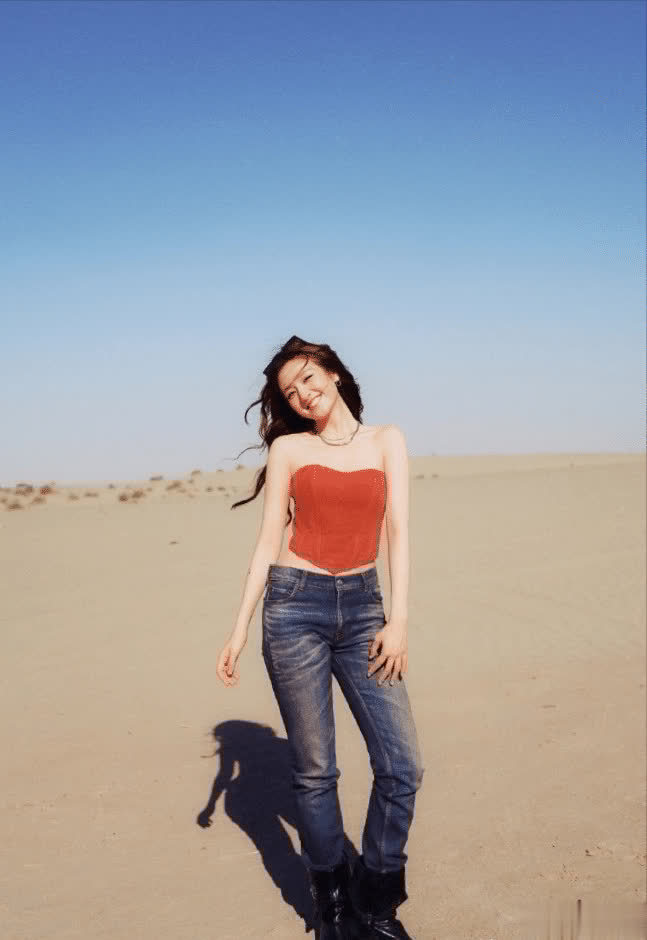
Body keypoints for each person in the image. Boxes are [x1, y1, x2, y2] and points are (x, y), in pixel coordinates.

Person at [216, 335, 424, 939]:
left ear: (333, 373)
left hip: (365, 611)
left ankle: (377, 901)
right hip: (293, 608)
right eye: (290, 392)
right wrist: (238, 629)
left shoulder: (386, 440)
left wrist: (399, 621)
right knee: (315, 773)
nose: (302, 394)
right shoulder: (289, 448)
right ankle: (332, 907)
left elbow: (399, 531)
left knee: (402, 765)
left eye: (308, 379)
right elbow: (266, 543)